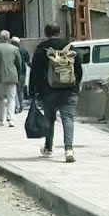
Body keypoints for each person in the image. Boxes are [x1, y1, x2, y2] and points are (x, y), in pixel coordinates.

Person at [29, 22, 83, 162]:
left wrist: (34, 91)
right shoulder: (70, 47)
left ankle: (48, 148)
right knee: (68, 118)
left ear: (46, 33)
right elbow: (79, 69)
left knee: (49, 119)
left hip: (48, 91)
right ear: (59, 32)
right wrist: (75, 86)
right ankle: (69, 149)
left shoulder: (41, 49)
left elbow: (35, 72)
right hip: (69, 90)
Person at [0, 30, 24, 127]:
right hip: (12, 76)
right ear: (8, 38)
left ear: (0, 38)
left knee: (0, 98)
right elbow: (19, 64)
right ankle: (11, 118)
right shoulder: (15, 49)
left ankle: (0, 119)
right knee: (11, 98)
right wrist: (18, 75)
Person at [12, 36, 31, 114]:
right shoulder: (23, 50)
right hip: (22, 72)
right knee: (20, 90)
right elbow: (28, 61)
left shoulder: (11, 50)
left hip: (14, 72)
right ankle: (21, 104)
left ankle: (16, 106)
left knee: (14, 90)